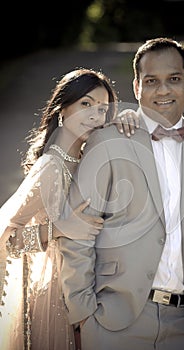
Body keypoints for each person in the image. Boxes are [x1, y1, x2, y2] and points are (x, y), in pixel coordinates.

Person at [58, 38, 184, 350]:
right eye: (152, 81)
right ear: (137, 87)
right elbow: (77, 230)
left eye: (174, 80)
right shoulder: (106, 141)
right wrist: (84, 313)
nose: (163, 91)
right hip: (112, 323)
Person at [0, 67, 138, 350]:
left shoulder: (87, 158)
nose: (94, 116)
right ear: (63, 108)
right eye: (86, 104)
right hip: (53, 298)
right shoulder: (51, 167)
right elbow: (6, 241)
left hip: (89, 291)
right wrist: (58, 229)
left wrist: (130, 118)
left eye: (102, 110)